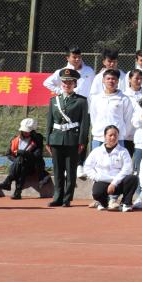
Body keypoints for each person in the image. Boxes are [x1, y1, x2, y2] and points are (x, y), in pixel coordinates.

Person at [45, 68, 90, 207]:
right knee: (58, 170)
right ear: (61, 84)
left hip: (72, 139)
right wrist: (48, 140)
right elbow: (49, 121)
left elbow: (84, 123)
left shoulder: (81, 101)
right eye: (64, 82)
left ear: (75, 84)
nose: (67, 85)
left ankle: (67, 198)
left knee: (70, 171)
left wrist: (82, 141)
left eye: (70, 83)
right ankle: (57, 197)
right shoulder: (54, 100)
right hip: (56, 139)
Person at [83, 125, 139, 212]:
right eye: (110, 135)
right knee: (97, 193)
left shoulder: (123, 151)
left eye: (115, 135)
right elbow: (87, 167)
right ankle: (104, 203)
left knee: (133, 179)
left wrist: (114, 183)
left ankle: (126, 203)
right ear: (105, 136)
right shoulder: (97, 151)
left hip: (119, 182)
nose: (113, 137)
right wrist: (97, 177)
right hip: (102, 181)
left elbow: (127, 169)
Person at [88, 68, 136, 153]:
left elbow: (128, 120)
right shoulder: (96, 98)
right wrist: (99, 130)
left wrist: (121, 134)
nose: (111, 81)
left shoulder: (124, 99)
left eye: (113, 79)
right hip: (99, 138)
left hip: (117, 138)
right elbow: (93, 118)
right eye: (108, 78)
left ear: (117, 81)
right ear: (103, 80)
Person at [0, 118, 48, 199]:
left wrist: (23, 153)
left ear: (32, 131)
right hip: (20, 166)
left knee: (21, 162)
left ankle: (8, 182)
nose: (25, 132)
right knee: (21, 164)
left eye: (27, 131)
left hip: (34, 166)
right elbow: (8, 154)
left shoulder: (38, 139)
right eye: (24, 130)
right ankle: (17, 192)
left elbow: (37, 155)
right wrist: (17, 161)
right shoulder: (15, 139)